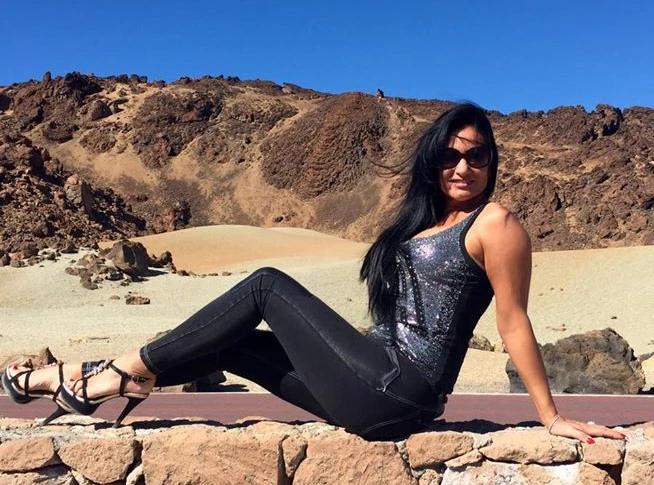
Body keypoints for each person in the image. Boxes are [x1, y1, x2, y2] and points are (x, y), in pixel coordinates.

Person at [2, 103, 625, 443]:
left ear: (493, 161)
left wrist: (550, 416)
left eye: (477, 155)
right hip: (374, 386)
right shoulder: (426, 223)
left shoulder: (497, 224)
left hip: (401, 390)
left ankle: (109, 375)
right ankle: (101, 380)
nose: (462, 168)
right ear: (432, 161)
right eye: (449, 155)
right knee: (235, 344)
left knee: (266, 284)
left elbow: (513, 321)